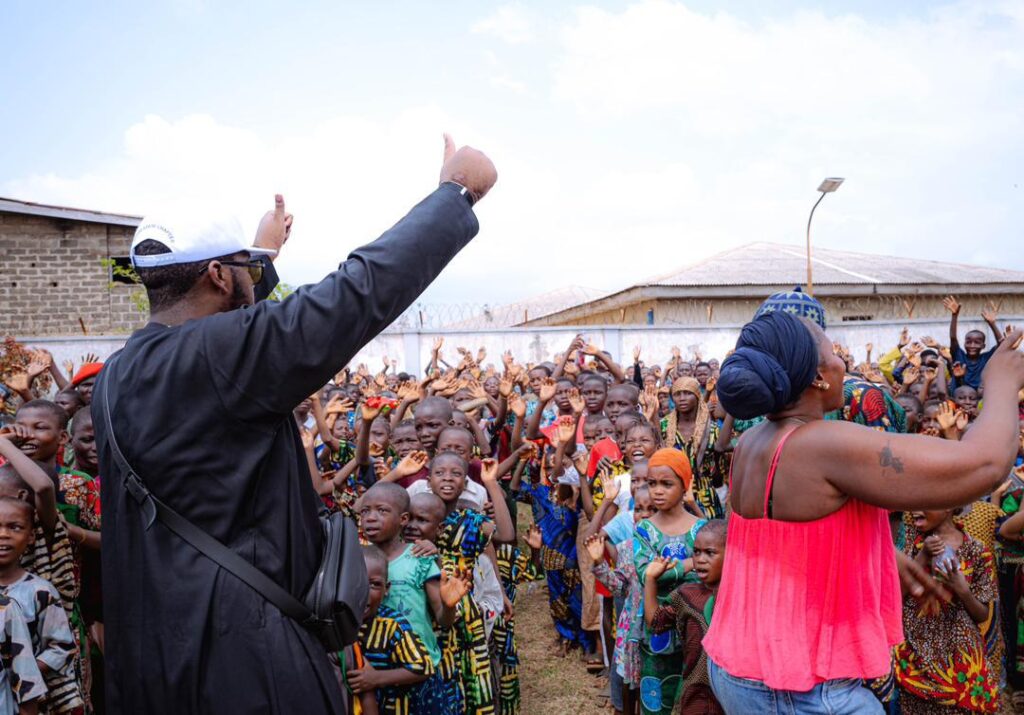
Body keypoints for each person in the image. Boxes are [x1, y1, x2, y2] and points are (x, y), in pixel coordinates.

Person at [92, 136, 497, 713]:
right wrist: (456, 194)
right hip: (243, 662)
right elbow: (353, 295)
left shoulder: (118, 376)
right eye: (242, 269)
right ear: (216, 274)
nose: (252, 277)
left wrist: (258, 256)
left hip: (156, 661)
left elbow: (246, 341)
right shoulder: (216, 358)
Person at [703, 310, 1024, 713]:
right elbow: (984, 465)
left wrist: (880, 555)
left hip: (741, 671)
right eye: (834, 352)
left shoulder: (752, 443)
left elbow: (787, 543)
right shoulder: (823, 444)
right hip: (802, 691)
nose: (842, 361)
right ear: (819, 376)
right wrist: (1001, 383)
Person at [895, 509, 1001, 713]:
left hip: (960, 665)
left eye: (926, 502)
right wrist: (922, 557)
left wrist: (962, 589)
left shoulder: (977, 550)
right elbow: (894, 595)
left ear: (949, 503)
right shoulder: (907, 542)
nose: (916, 508)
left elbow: (983, 615)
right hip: (915, 660)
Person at [633, 448, 705, 715]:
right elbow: (646, 573)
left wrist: (663, 572)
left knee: (695, 693)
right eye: (652, 484)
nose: (658, 491)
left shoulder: (700, 528)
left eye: (667, 484)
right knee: (656, 694)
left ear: (684, 485)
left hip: (696, 627)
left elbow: (711, 572)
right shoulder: (645, 529)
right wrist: (689, 564)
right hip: (657, 629)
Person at [647, 519, 727, 715]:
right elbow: (655, 623)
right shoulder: (686, 595)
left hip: (733, 693)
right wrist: (650, 579)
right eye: (696, 551)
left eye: (710, 553)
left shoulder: (740, 594)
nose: (700, 559)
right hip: (697, 692)